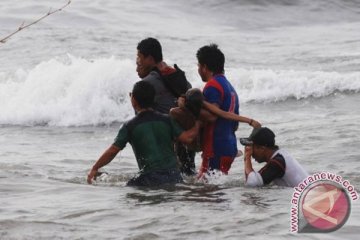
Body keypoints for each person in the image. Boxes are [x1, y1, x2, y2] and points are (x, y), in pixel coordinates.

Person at [87, 81, 200, 187]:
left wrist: (95, 167)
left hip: (149, 179)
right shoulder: (167, 120)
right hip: (174, 176)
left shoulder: (129, 126)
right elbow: (188, 138)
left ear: (134, 100)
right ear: (153, 99)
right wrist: (198, 122)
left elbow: (112, 151)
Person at [136, 37, 195, 175]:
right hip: (187, 141)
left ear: (150, 59)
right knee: (188, 177)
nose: (138, 61)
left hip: (167, 148)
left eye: (139, 57)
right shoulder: (177, 75)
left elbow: (141, 122)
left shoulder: (147, 84)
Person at [196, 44, 243, 177]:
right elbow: (235, 124)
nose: (198, 70)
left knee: (207, 193)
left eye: (198, 66)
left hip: (215, 148)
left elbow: (212, 117)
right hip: (229, 147)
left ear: (204, 67)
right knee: (215, 189)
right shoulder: (230, 88)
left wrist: (189, 107)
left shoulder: (212, 86)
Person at [240, 127, 309, 187]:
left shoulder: (277, 162)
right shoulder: (281, 156)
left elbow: (252, 184)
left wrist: (247, 157)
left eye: (252, 148)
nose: (251, 153)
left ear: (262, 148)